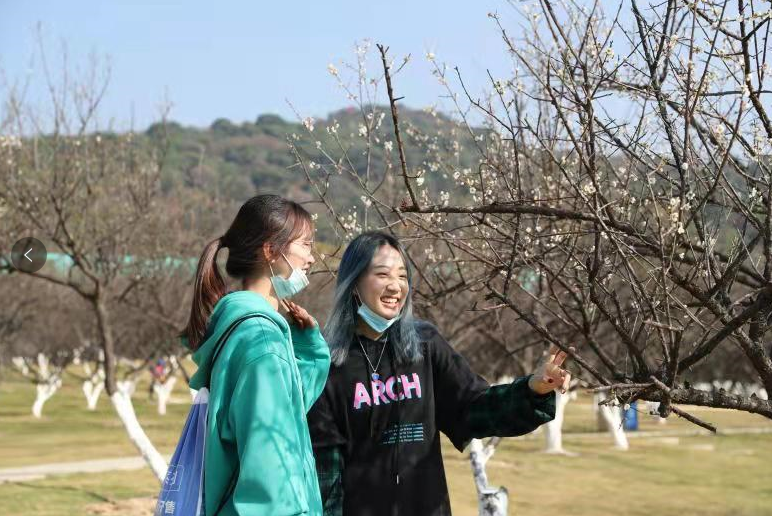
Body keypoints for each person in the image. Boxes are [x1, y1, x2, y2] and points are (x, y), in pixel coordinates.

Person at [308, 231, 570, 516]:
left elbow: (476, 408)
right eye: (382, 275)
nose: (396, 286)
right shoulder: (328, 363)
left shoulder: (424, 345)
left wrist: (533, 389)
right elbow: (326, 475)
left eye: (403, 276)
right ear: (354, 283)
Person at [183, 194, 330, 516]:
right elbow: (270, 455)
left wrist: (309, 350)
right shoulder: (261, 339)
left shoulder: (244, 328)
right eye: (305, 245)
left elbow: (285, 415)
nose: (311, 258)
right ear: (270, 250)